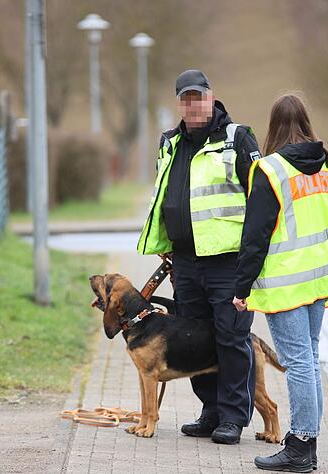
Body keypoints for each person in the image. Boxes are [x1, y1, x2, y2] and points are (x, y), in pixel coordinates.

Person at [136, 69, 262, 444]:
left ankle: (233, 418)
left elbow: (260, 198)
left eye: (199, 97)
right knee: (193, 339)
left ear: (211, 97)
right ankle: (210, 411)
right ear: (179, 103)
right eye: (186, 99)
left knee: (231, 338)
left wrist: (253, 259)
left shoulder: (237, 138)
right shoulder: (169, 142)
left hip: (228, 262)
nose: (193, 105)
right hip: (186, 263)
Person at [232, 94, 328, 472]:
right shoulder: (326, 165)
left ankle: (301, 445)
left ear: (273, 126)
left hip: (287, 283)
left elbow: (255, 236)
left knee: (299, 362)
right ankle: (307, 443)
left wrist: (241, 287)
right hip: (319, 277)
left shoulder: (271, 170)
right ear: (306, 122)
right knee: (309, 360)